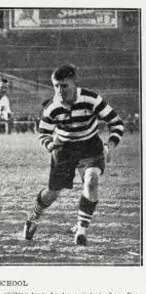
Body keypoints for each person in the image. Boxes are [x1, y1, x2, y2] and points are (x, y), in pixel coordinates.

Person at [23, 64, 124, 246]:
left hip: (90, 147)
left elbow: (116, 123)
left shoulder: (91, 99)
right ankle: (33, 216)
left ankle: (81, 230)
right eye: (56, 86)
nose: (60, 91)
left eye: (64, 86)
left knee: (92, 180)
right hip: (64, 149)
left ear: (74, 84)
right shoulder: (52, 107)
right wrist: (50, 144)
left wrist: (109, 146)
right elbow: (43, 133)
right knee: (52, 194)